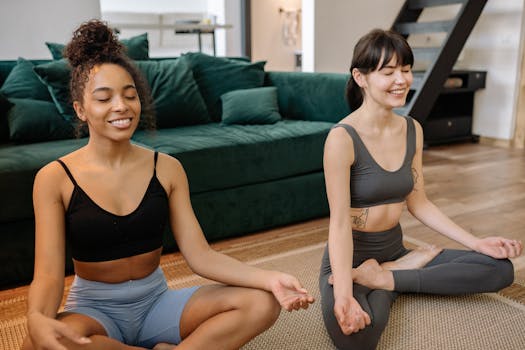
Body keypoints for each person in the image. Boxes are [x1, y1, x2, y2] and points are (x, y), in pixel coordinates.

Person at [22, 19, 314, 350]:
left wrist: (270, 278)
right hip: (94, 310)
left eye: (129, 95)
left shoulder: (168, 168)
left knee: (262, 302)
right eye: (104, 98)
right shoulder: (54, 178)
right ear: (80, 110)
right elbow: (47, 276)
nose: (121, 106)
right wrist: (36, 319)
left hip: (157, 305)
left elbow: (201, 256)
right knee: (39, 340)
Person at [319, 28, 523, 350]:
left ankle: (388, 277)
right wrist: (344, 293)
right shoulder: (341, 139)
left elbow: (419, 202)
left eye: (406, 69)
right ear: (360, 77)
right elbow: (340, 223)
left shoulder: (412, 128)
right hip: (351, 258)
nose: (401, 80)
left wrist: (477, 242)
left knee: (499, 268)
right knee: (356, 338)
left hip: (395, 250)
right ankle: (390, 278)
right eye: (388, 72)